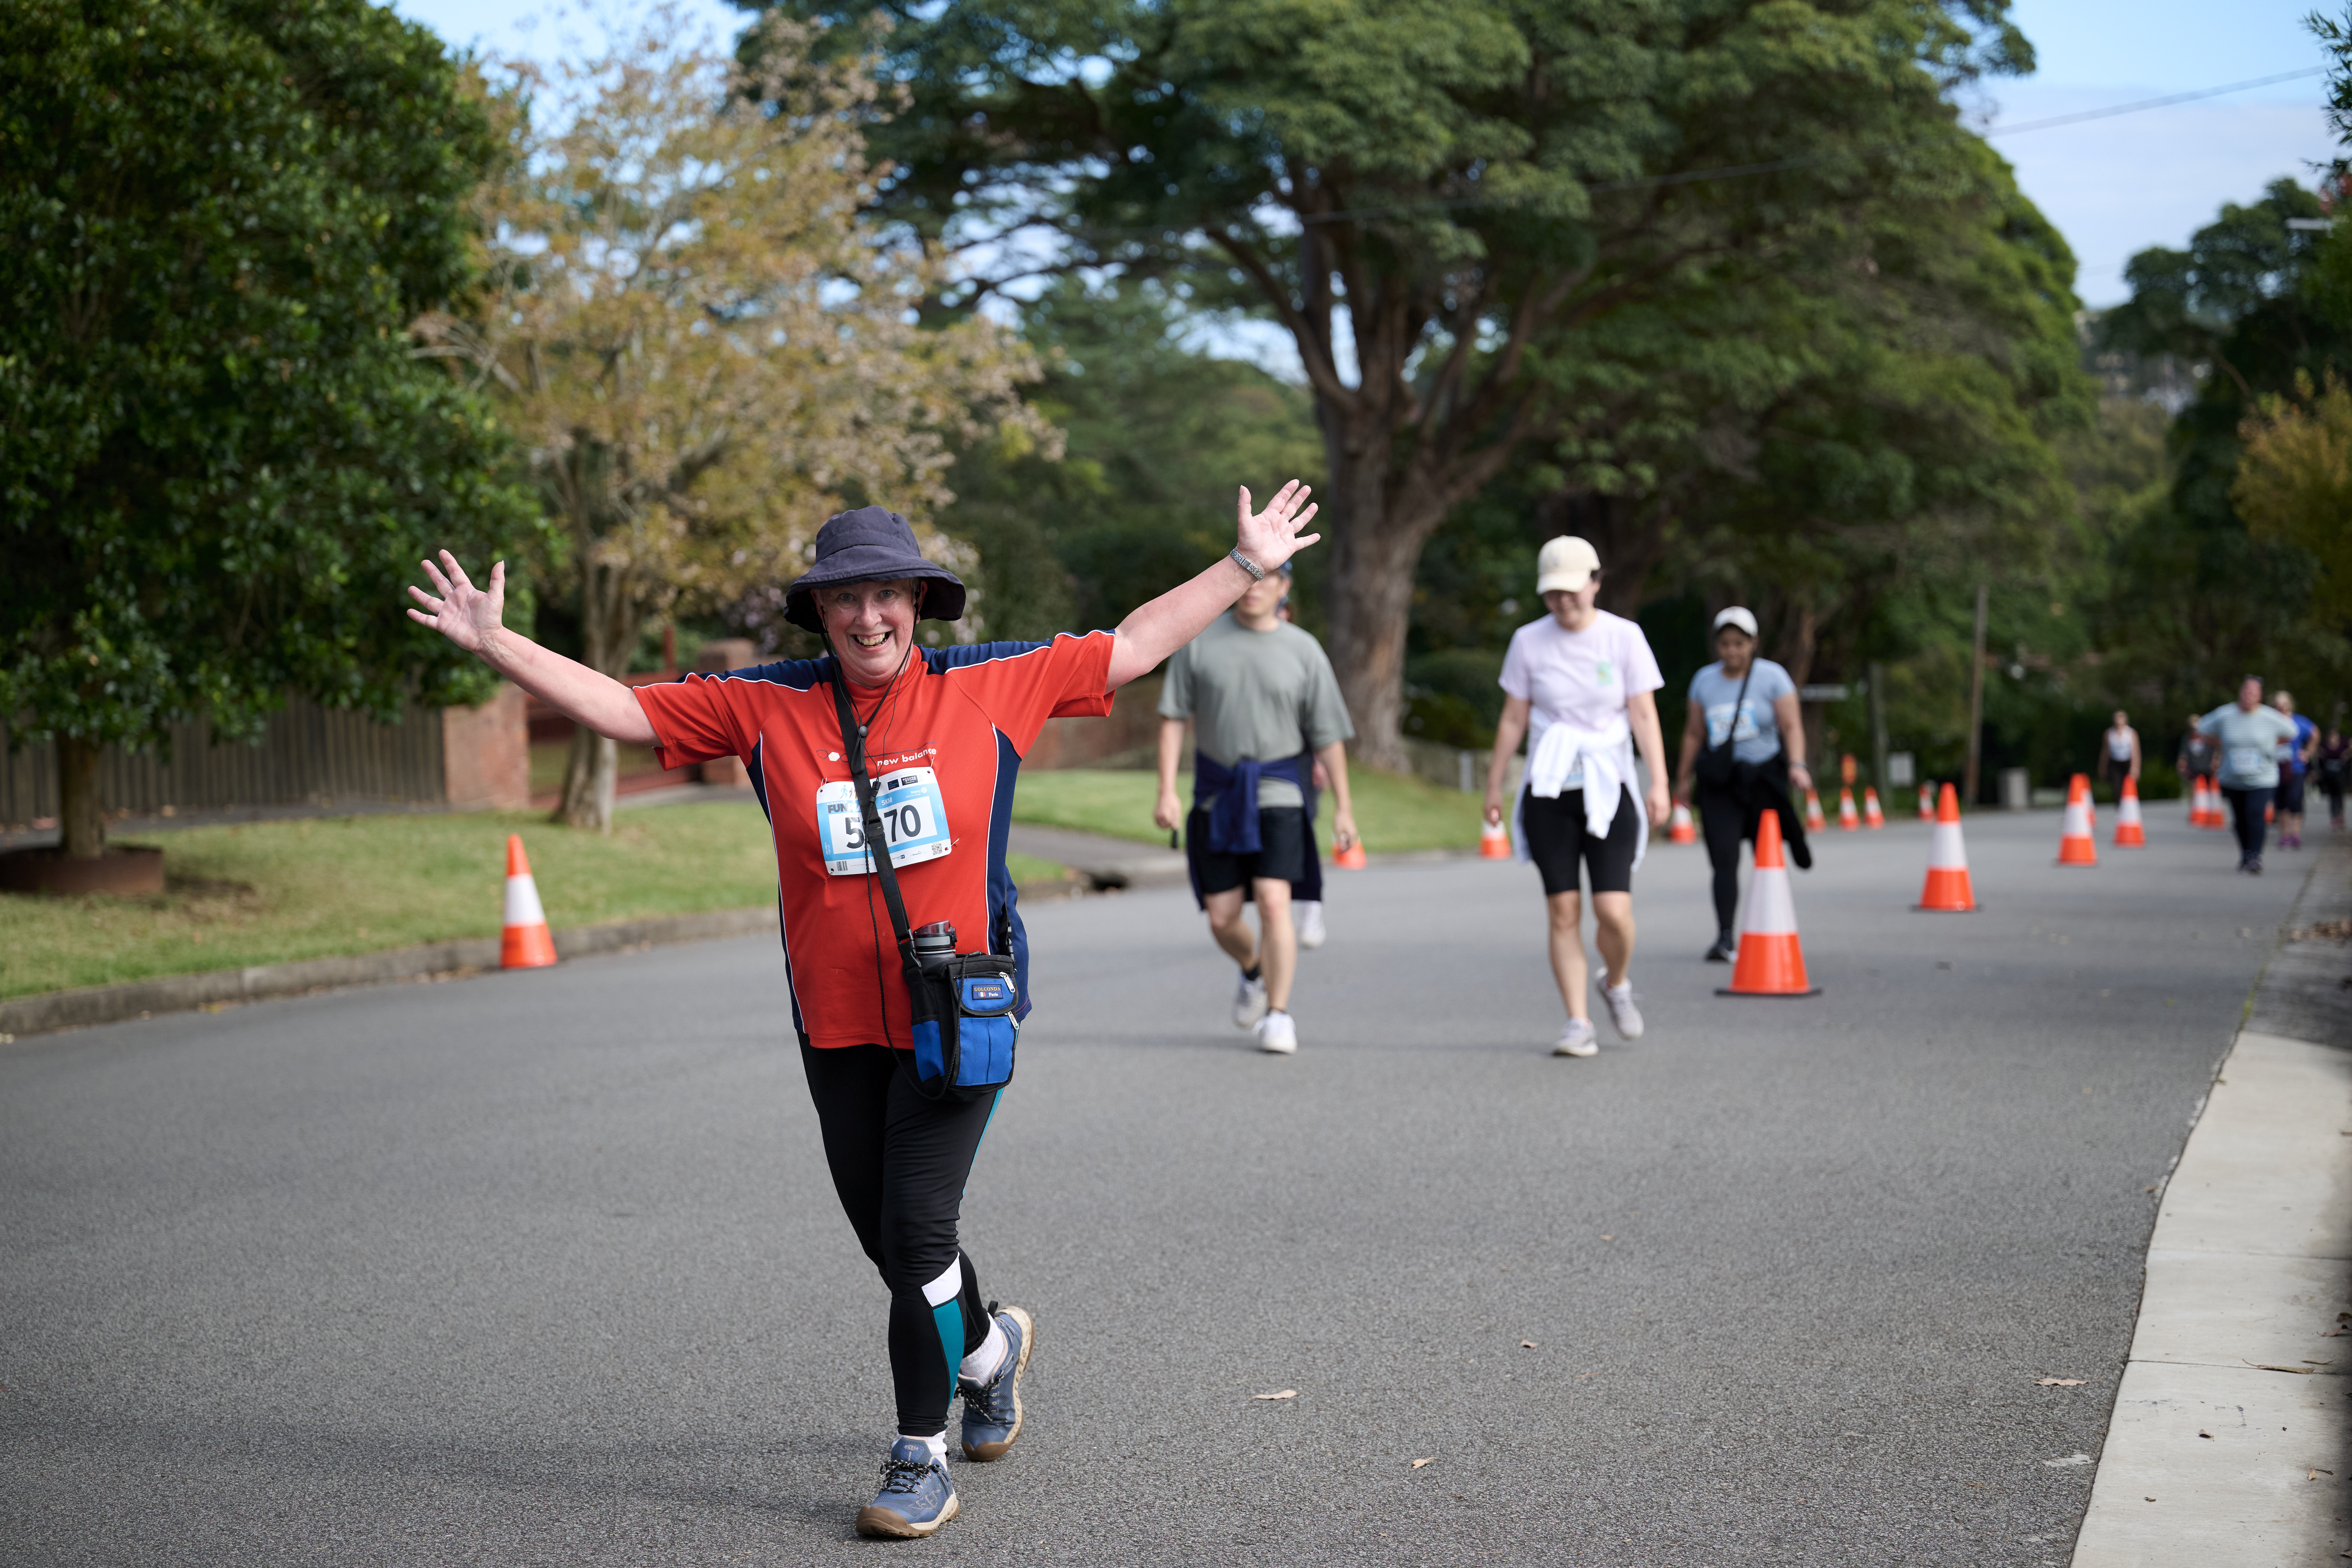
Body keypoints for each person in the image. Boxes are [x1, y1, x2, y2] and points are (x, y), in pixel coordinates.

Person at [406, 482, 1324, 1538]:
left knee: (917, 1228)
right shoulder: (767, 707)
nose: (867, 616)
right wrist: (497, 642)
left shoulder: (992, 685)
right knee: (896, 1247)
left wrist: (1243, 566)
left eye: (887, 593)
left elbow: (1125, 647)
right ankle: (990, 1352)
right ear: (820, 613)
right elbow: (621, 706)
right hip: (835, 1019)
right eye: (844, 598)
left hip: (961, 1010)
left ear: (918, 603)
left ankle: (916, 1455)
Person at [1153, 559, 1357, 1054]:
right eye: (1251, 576)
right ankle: (1253, 972)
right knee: (1222, 917)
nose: (1256, 587)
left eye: (1268, 578)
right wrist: (1167, 789)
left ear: (1283, 586)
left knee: (1273, 899)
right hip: (1217, 794)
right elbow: (1173, 718)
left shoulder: (1304, 650)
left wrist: (1345, 808)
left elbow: (1328, 736)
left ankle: (1279, 1014)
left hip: (1281, 792)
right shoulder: (1200, 641)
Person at [1481, 536, 1672, 1057]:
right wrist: (1495, 783)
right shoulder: (1528, 641)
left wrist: (1659, 781)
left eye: (1571, 591)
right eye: (1551, 594)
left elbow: (1643, 713)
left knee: (1612, 910)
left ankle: (1616, 982)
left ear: (1595, 582)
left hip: (1609, 785)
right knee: (1563, 909)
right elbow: (1514, 716)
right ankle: (1577, 1022)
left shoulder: (1623, 637)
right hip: (1549, 786)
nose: (1562, 603)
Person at [1670, 607, 1811, 964]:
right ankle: (1725, 937)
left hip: (1763, 777)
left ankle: (1775, 928)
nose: (1731, 651)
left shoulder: (1772, 677)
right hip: (1721, 781)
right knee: (1723, 859)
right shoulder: (1704, 681)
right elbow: (1693, 732)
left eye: (1738, 643)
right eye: (1725, 643)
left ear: (1752, 643)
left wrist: (1796, 764)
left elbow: (1791, 726)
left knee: (1768, 857)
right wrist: (1681, 779)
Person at [2197, 676, 2301, 874]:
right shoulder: (2226, 714)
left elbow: (2292, 732)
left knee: (2256, 814)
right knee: (2240, 819)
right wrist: (2221, 745)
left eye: (2253, 693)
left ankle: (2256, 856)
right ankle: (2245, 853)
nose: (2248, 696)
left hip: (2262, 778)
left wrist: (2273, 744)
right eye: (2246, 692)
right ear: (2240, 693)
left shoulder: (2269, 717)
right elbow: (2202, 729)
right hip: (2232, 777)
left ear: (2259, 696)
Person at [2272, 690, 2318, 849]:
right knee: (2281, 803)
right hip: (2276, 768)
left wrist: (2308, 753)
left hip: (2296, 768)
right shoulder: (2271, 722)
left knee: (2295, 799)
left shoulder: (2299, 722)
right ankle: (2284, 836)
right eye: (2278, 705)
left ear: (2290, 705)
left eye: (2284, 705)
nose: (2281, 708)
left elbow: (2315, 733)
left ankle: (2295, 835)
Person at [2178, 717, 2219, 810]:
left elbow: (2215, 749)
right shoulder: (2187, 738)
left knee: (2210, 788)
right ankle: (2195, 808)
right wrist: (2182, 762)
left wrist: (2215, 760)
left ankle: (2211, 808)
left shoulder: (2208, 737)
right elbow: (2184, 752)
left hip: (2207, 766)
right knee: (2194, 786)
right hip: (2194, 767)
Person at [2099, 710, 2141, 793]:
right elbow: (2105, 752)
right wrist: (2102, 767)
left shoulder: (2131, 733)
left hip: (2127, 761)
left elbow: (2136, 752)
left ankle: (2129, 803)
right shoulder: (2109, 733)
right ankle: (2118, 804)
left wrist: (2136, 767)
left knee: (2129, 785)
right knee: (2116, 785)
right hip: (2115, 762)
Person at [2318, 723, 2348, 830]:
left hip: (2340, 775)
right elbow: (2319, 753)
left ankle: (2341, 816)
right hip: (2329, 776)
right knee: (2332, 797)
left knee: (2340, 797)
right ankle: (2334, 818)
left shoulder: (2343, 745)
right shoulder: (2325, 747)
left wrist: (2346, 755)